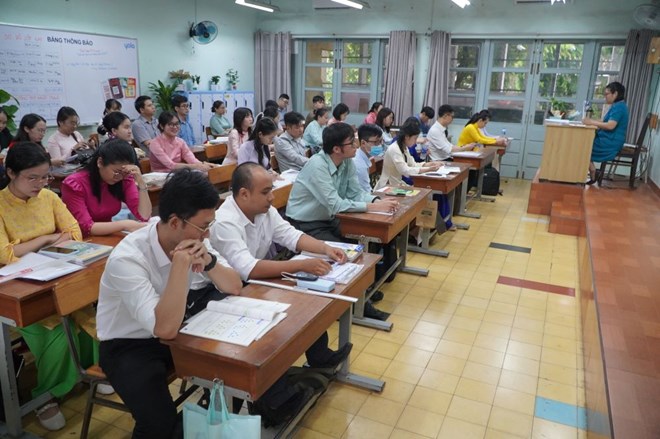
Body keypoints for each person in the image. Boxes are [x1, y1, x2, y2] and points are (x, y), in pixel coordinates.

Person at [97, 169, 243, 438]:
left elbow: (234, 286)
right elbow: (163, 329)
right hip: (129, 346)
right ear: (175, 222)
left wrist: (209, 261)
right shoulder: (128, 258)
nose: (207, 235)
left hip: (174, 328)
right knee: (158, 427)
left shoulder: (191, 239)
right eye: (203, 227)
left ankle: (207, 423)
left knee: (234, 372)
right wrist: (180, 266)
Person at [0, 143, 105, 432]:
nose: (40, 184)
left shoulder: (48, 197)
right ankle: (47, 395)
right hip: (18, 288)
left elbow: (72, 231)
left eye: (45, 176)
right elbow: (4, 256)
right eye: (31, 178)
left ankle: (87, 373)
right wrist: (47, 240)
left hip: (58, 274)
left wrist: (29, 246)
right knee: (57, 327)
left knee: (82, 310)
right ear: (11, 173)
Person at [208, 162, 354, 367]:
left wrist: (324, 248)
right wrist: (301, 266)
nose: (272, 197)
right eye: (266, 192)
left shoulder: (264, 210)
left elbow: (290, 235)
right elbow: (247, 269)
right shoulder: (225, 222)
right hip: (229, 289)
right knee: (288, 305)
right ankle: (279, 386)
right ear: (244, 194)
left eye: (271, 190)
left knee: (304, 297)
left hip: (253, 280)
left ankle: (320, 357)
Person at [286, 122, 400, 242]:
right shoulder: (317, 165)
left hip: (330, 218)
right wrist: (375, 207)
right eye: (351, 143)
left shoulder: (347, 161)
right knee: (342, 250)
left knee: (370, 234)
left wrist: (377, 201)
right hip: (305, 222)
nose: (356, 145)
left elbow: (355, 193)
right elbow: (336, 205)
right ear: (336, 149)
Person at [61, 139, 150, 237]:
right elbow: (86, 227)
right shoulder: (74, 184)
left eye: (125, 173)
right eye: (117, 171)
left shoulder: (125, 179)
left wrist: (141, 183)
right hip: (78, 238)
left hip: (107, 236)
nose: (120, 177)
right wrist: (124, 225)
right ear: (100, 162)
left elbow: (143, 216)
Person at [375, 117, 443, 190]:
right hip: (387, 186)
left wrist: (428, 164)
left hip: (396, 183)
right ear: (407, 137)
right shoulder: (394, 149)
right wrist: (428, 169)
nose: (416, 141)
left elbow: (413, 164)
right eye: (415, 138)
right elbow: (405, 171)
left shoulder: (404, 147)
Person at [582, 81, 629, 184]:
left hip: (611, 141)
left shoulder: (619, 107)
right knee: (583, 142)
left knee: (583, 146)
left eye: (607, 94)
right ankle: (593, 170)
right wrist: (590, 121)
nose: (605, 97)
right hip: (608, 138)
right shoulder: (617, 106)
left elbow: (610, 126)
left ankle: (593, 170)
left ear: (615, 94)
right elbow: (604, 121)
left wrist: (591, 122)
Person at [149, 111, 214, 173]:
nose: (175, 127)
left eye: (177, 124)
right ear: (162, 126)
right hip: (160, 174)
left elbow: (192, 160)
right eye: (171, 124)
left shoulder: (180, 141)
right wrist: (195, 166)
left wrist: (203, 165)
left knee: (207, 173)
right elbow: (171, 165)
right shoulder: (155, 143)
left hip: (177, 173)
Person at [353, 123, 383, 193]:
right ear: (363, 143)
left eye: (381, 141)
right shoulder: (360, 165)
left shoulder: (362, 155)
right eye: (376, 142)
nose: (379, 145)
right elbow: (366, 193)